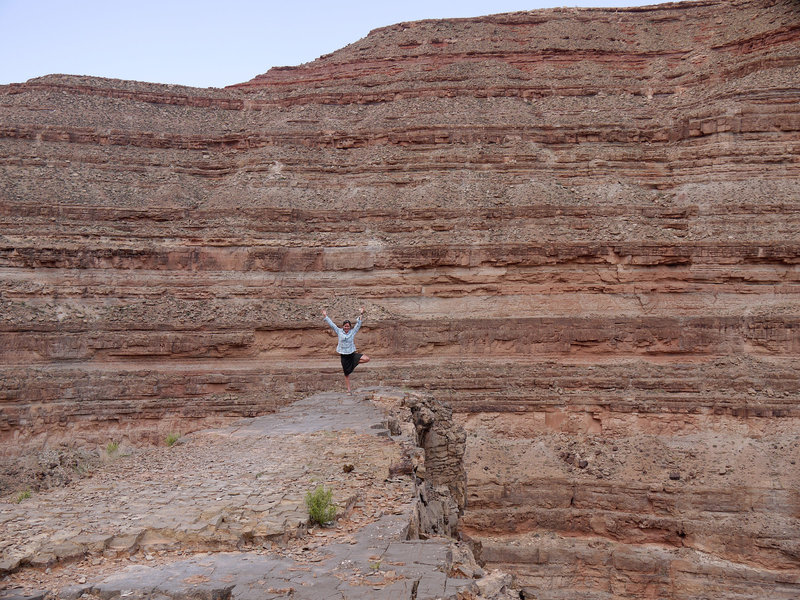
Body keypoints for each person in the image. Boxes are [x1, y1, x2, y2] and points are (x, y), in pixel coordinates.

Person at [322, 307, 370, 394]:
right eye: (345, 326)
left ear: (350, 327)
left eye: (348, 326)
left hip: (352, 354)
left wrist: (361, 313)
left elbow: (358, 324)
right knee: (346, 374)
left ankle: (354, 363)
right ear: (343, 326)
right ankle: (349, 390)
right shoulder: (339, 331)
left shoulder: (352, 332)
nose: (346, 327)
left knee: (367, 359)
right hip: (344, 356)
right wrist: (325, 316)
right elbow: (332, 324)